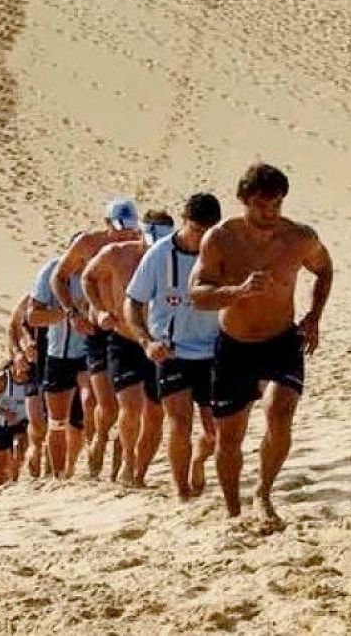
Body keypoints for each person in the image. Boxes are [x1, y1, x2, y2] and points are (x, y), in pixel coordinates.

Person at [189, 163, 333, 522]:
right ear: (243, 201)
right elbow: (197, 293)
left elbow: (324, 269)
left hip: (282, 339)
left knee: (280, 412)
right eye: (260, 205)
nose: (269, 214)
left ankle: (263, 493)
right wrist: (237, 291)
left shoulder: (299, 238)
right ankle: (233, 509)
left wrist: (314, 316)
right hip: (234, 343)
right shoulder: (220, 238)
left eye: (276, 205)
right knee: (230, 437)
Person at [125, 194, 222, 501]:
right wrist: (145, 341)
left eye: (209, 230)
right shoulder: (158, 255)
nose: (202, 237)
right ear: (183, 222)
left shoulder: (222, 253)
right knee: (179, 422)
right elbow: (133, 301)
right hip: (172, 352)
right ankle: (180, 491)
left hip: (213, 351)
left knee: (215, 431)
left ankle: (198, 460)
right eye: (196, 229)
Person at [82, 210, 174, 487]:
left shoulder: (175, 257)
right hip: (124, 339)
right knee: (130, 407)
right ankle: (119, 454)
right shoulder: (116, 254)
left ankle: (138, 472)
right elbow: (88, 277)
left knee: (156, 414)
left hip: (160, 345)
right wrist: (98, 311)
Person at [52, 199, 141, 480]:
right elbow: (59, 277)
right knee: (108, 406)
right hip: (96, 331)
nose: (126, 235)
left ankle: (122, 465)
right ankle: (100, 438)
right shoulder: (88, 244)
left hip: (126, 331)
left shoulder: (137, 245)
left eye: (130, 230)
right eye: (120, 229)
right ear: (107, 224)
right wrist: (72, 312)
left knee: (131, 406)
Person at [28, 244, 95, 479]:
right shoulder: (50, 272)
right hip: (58, 354)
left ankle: (78, 463)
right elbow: (32, 317)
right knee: (57, 422)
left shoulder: (96, 270)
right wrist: (69, 313)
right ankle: (59, 475)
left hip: (88, 353)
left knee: (87, 404)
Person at [7, 294, 49, 478]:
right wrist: (17, 354)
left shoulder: (73, 293)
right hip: (34, 367)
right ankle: (36, 453)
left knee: (59, 423)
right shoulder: (30, 299)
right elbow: (12, 327)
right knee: (38, 424)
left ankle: (54, 474)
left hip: (64, 363)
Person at [0, 361, 30, 486]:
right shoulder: (3, 379)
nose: (24, 369)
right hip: (1, 424)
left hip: (21, 422)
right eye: (21, 364)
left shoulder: (32, 377)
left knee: (20, 448)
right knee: (0, 465)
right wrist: (3, 412)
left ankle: (15, 480)